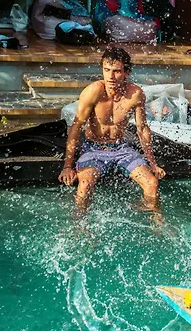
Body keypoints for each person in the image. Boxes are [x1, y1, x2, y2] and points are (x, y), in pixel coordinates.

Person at [58, 47, 165, 213]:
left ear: (126, 72)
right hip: (93, 149)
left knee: (152, 183)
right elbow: (76, 127)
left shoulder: (135, 94)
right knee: (84, 186)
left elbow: (142, 128)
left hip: (121, 148)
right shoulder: (93, 91)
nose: (110, 76)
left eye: (116, 71)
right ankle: (79, 223)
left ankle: (157, 221)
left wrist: (152, 163)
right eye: (106, 70)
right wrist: (67, 166)